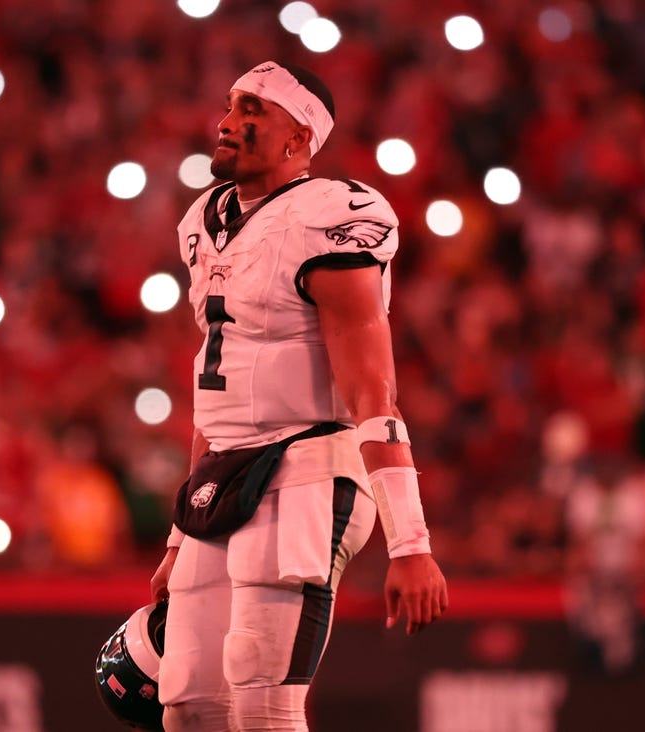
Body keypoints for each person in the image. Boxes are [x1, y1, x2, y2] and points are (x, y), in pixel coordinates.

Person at [149, 61, 449, 730]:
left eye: (252, 110)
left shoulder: (333, 216)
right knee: (189, 709)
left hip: (308, 469)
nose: (227, 122)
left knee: (263, 705)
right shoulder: (204, 220)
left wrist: (411, 543)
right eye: (229, 104)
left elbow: (374, 389)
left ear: (299, 138)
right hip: (227, 474)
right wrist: (178, 534)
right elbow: (217, 387)